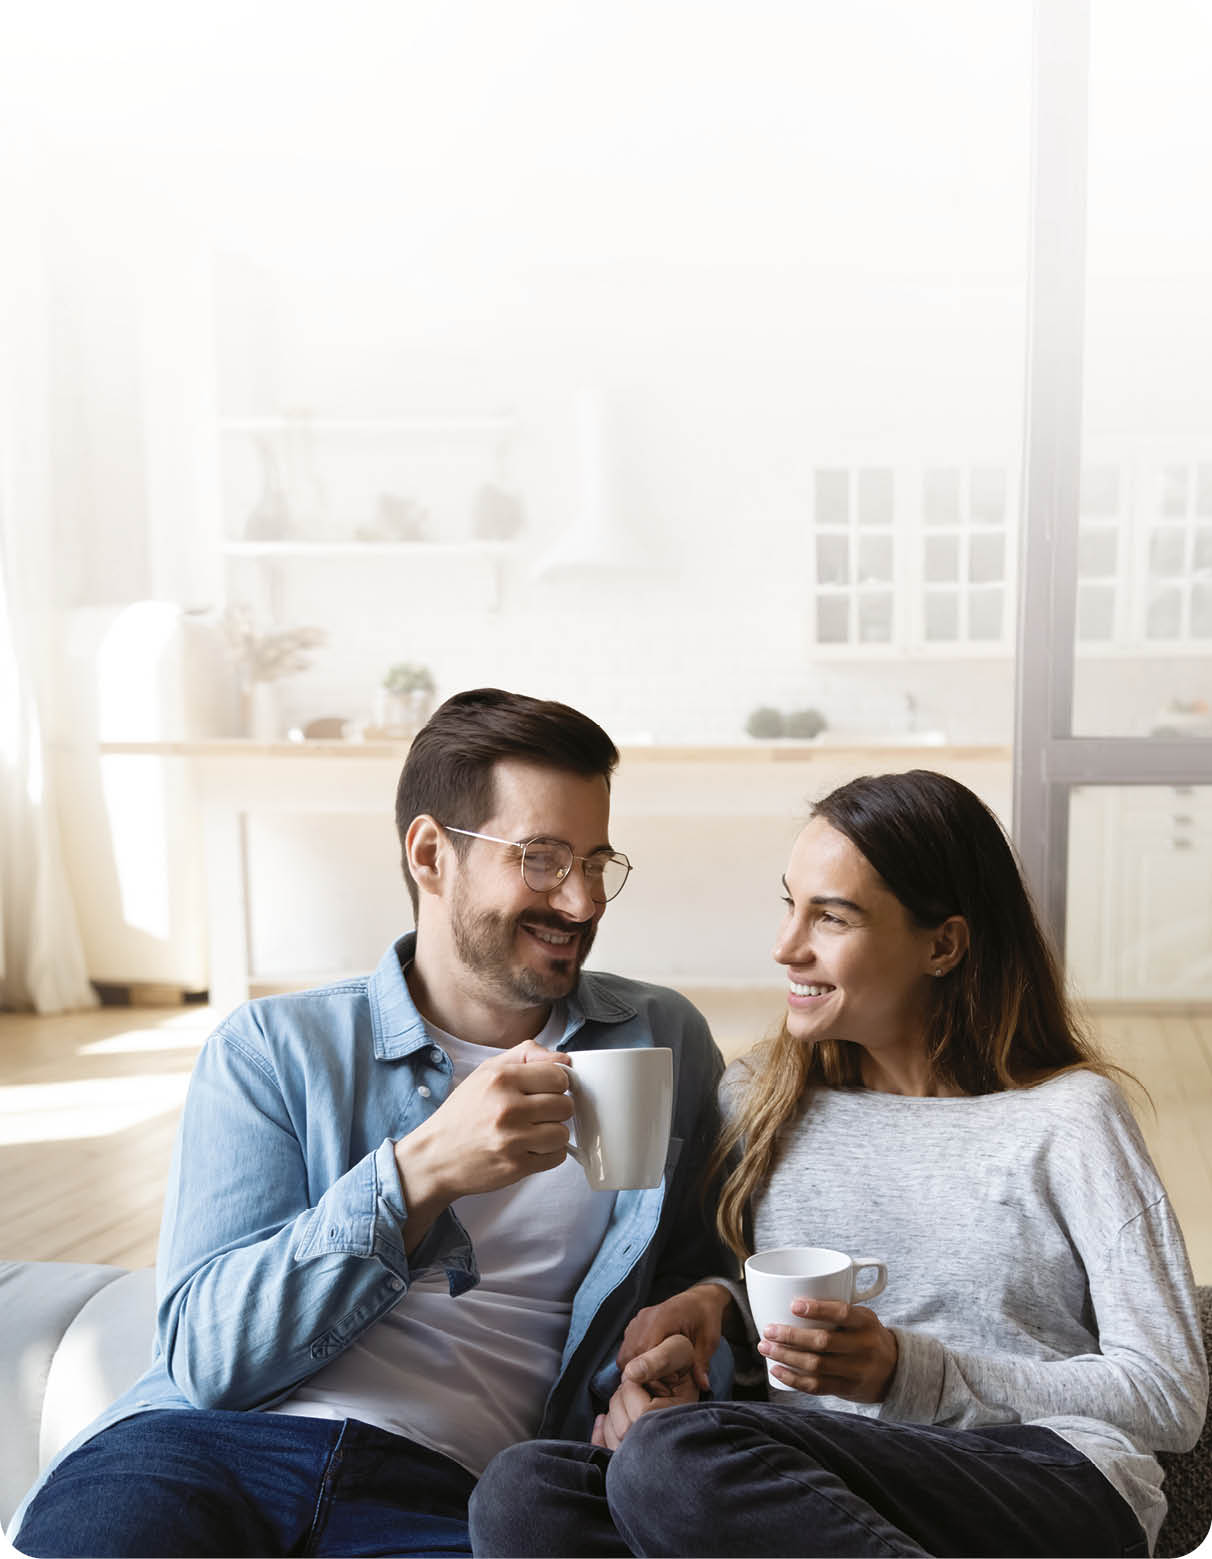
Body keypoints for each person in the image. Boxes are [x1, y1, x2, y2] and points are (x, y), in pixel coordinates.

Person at [11, 688, 732, 1559]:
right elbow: (209, 1356)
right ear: (431, 854)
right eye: (541, 859)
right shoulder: (276, 1048)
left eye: (596, 861)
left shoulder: (661, 1038)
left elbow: (707, 1278)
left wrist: (692, 1339)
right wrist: (422, 1170)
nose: (581, 901)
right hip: (199, 1455)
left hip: (455, 1498)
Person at [469, 769, 1209, 1559]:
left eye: (832, 916)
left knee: (671, 1460)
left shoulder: (1070, 1116)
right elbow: (773, 1372)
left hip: (1046, 1475)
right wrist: (710, 1327)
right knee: (525, 1493)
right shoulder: (761, 1101)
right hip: (823, 1497)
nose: (788, 945)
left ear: (943, 943)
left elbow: (1169, 1396)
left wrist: (907, 1371)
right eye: (790, 904)